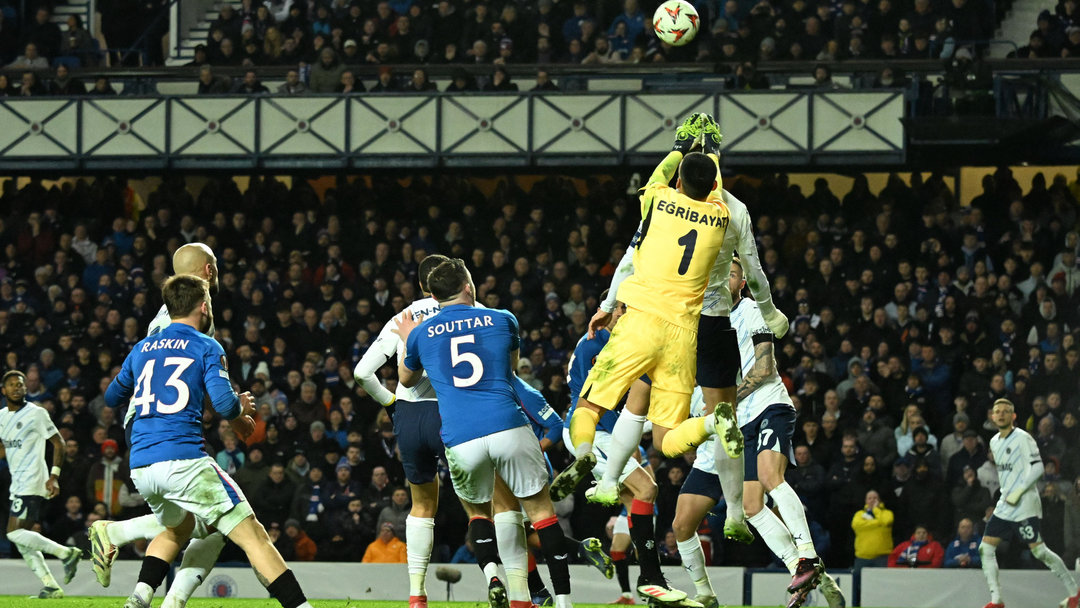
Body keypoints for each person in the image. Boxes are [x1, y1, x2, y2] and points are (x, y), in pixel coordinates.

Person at [552, 117, 742, 569]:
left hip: (638, 322)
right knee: (669, 438)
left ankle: (582, 454)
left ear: (677, 178)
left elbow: (663, 176)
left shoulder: (657, 202)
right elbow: (710, 186)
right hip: (683, 332)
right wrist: (712, 152)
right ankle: (715, 424)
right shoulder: (719, 216)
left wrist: (680, 147)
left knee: (588, 407)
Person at [104, 275, 314, 608]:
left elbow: (112, 396)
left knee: (179, 527)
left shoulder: (142, 347)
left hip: (142, 464)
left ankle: (140, 598)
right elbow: (224, 405)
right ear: (204, 306)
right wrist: (241, 405)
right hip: (184, 460)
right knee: (254, 536)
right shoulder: (205, 345)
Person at [395, 258, 574, 608]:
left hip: (461, 438)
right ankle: (549, 600)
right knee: (539, 513)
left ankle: (490, 578)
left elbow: (406, 380)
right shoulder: (503, 319)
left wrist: (409, 341)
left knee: (478, 512)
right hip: (506, 425)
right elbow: (508, 371)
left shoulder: (420, 334)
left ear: (433, 296)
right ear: (468, 287)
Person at [90, 243, 227, 608]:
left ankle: (141, 596)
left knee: (182, 525)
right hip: (166, 426)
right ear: (209, 272)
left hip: (147, 423)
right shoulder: (194, 316)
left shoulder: (167, 313)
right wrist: (233, 409)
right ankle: (118, 534)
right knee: (219, 521)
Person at [726, 258, 836, 608]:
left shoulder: (753, 311)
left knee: (770, 476)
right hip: (743, 419)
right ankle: (799, 570)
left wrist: (729, 398)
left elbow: (764, 366)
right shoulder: (713, 322)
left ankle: (806, 552)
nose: (723, 278)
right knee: (751, 505)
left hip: (771, 405)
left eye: (731, 274)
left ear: (742, 282)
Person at [560, 293, 679, 605]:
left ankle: (651, 583)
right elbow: (595, 400)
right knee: (647, 489)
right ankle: (650, 578)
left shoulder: (616, 343)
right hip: (592, 430)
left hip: (607, 430)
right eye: (625, 308)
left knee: (637, 502)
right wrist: (630, 446)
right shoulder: (593, 345)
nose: (629, 315)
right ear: (610, 310)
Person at [353, 253, 446, 608]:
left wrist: (391, 404)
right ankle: (505, 579)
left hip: (408, 417)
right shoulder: (468, 311)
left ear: (421, 285)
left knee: (421, 508)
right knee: (486, 502)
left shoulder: (402, 318)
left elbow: (363, 373)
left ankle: (417, 595)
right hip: (452, 413)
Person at [979, 399, 1080, 608]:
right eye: (997, 411)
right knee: (985, 549)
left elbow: (1038, 469)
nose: (1001, 414)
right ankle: (996, 600)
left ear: (1013, 416)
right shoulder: (994, 442)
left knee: (1039, 551)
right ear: (992, 416)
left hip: (1024, 502)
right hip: (1005, 504)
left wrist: (1018, 491)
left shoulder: (1023, 438)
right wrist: (1008, 494)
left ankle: (1074, 592)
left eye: (1006, 411)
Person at [0, 370, 82, 598]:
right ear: (3, 390)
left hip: (34, 480)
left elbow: (59, 443)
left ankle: (67, 553)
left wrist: (54, 476)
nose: (18, 388)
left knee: (14, 534)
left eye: (21, 385)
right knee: (23, 541)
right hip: (17, 483)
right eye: (13, 385)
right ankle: (51, 586)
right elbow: (4, 448)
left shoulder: (36, 414)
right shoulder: (2, 418)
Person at [851, 489, 893, 570]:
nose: (872, 500)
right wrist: (878, 523)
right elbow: (856, 524)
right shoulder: (859, 514)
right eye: (870, 498)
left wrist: (876, 510)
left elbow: (887, 521)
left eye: (875, 498)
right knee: (857, 580)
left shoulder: (887, 513)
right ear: (866, 501)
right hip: (862, 557)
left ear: (879, 500)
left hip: (882, 557)